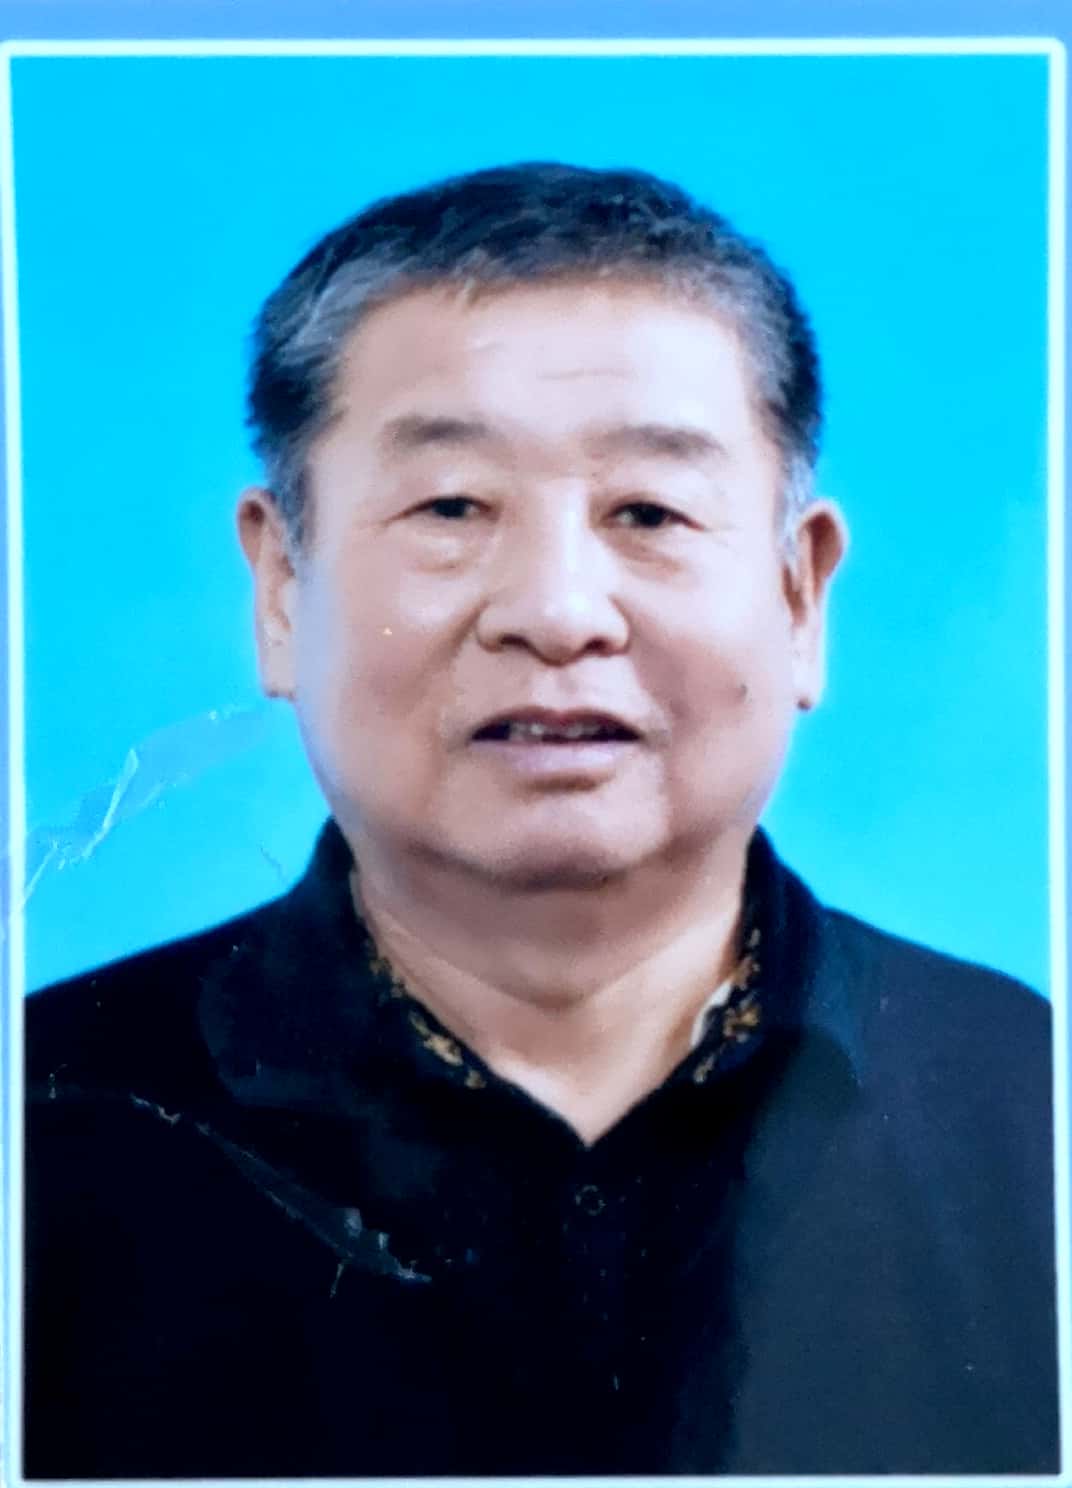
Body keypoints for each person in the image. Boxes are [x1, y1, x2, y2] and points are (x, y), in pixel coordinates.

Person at [24, 161, 1058, 1478]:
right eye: (452, 507)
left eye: (649, 511)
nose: (558, 612)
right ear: (282, 587)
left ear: (800, 596)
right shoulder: (39, 1126)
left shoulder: (1040, 1114)